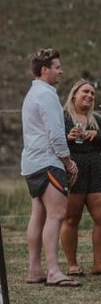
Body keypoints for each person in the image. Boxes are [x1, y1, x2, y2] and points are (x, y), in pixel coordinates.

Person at [21, 48, 79, 287]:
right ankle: (54, 271)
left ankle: (35, 269)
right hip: (47, 161)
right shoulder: (46, 95)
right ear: (44, 70)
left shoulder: (32, 93)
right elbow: (55, 134)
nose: (61, 71)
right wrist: (68, 162)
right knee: (56, 215)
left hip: (31, 161)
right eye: (57, 67)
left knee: (39, 214)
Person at [60, 80, 101, 277]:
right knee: (71, 218)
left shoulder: (97, 119)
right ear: (74, 93)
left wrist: (97, 134)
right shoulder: (62, 117)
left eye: (93, 93)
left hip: (95, 169)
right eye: (85, 91)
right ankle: (72, 265)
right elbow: (52, 140)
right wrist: (67, 137)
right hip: (73, 169)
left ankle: (99, 264)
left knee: (100, 217)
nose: (90, 95)